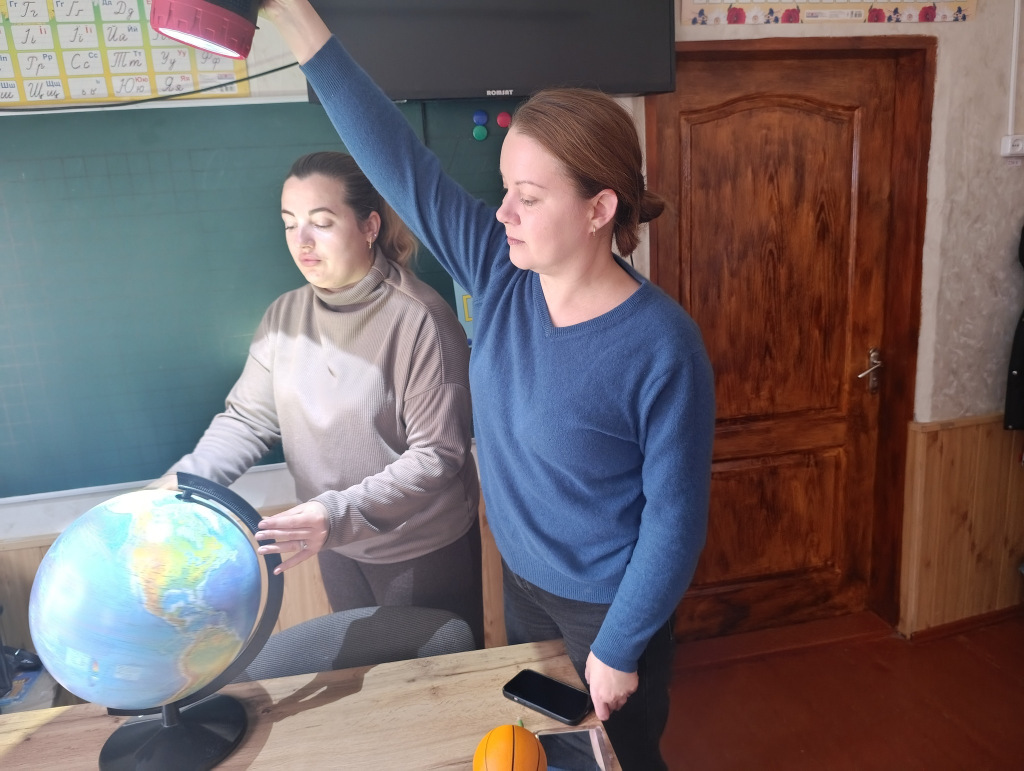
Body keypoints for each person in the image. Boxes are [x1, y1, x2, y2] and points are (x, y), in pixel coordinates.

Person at [258, 4, 716, 768]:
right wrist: (297, 20)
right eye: (504, 189)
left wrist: (620, 644)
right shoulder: (500, 271)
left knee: (619, 758)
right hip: (524, 582)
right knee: (544, 749)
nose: (502, 211)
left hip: (610, 607)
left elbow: (676, 520)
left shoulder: (663, 346)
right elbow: (397, 158)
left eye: (528, 197)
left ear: (599, 208)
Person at [152, 151, 484, 648]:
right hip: (333, 542)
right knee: (365, 678)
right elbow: (246, 421)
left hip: (417, 547)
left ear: (369, 226)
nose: (301, 241)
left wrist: (333, 516)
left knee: (430, 682)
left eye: (321, 223)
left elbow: (437, 456)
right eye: (290, 224)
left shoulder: (421, 320)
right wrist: (181, 485)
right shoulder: (284, 317)